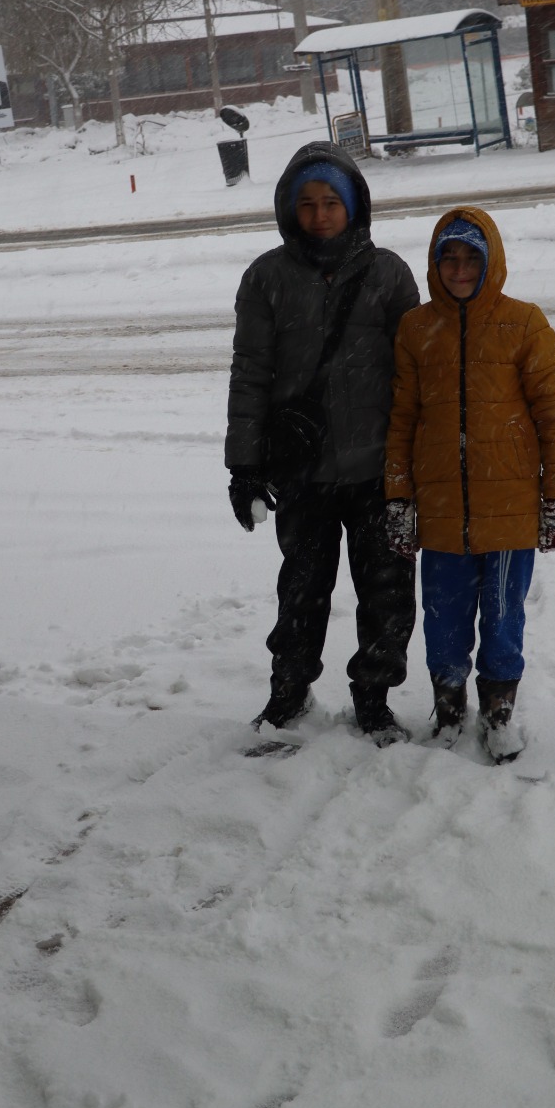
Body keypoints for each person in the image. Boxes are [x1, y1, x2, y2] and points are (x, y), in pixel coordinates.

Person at [225, 141, 420, 744]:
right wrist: (244, 467)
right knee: (301, 591)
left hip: (378, 470)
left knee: (387, 593)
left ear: (353, 204)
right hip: (301, 471)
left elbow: (417, 376)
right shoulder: (266, 277)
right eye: (306, 203)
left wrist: (421, 459)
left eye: (331, 202)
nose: (319, 215)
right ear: (289, 207)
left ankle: (374, 699)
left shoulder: (388, 273)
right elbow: (250, 374)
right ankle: (288, 693)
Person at [383, 207, 555, 762]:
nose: (461, 269)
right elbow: (402, 419)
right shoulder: (416, 328)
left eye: (472, 257)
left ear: (492, 261)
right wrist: (399, 497)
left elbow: (554, 414)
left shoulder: (524, 323)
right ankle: (448, 709)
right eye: (450, 257)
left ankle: (498, 712)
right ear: (434, 263)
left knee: (503, 617)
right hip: (441, 506)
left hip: (510, 506)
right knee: (443, 619)